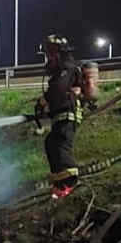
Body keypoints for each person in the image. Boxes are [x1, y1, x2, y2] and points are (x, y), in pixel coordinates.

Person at [36, 34, 84, 198]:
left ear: (59, 52)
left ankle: (71, 182)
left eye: (50, 53)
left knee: (60, 145)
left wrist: (44, 100)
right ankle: (60, 184)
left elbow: (59, 89)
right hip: (60, 115)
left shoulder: (67, 68)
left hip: (69, 113)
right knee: (51, 143)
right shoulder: (59, 71)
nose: (48, 57)